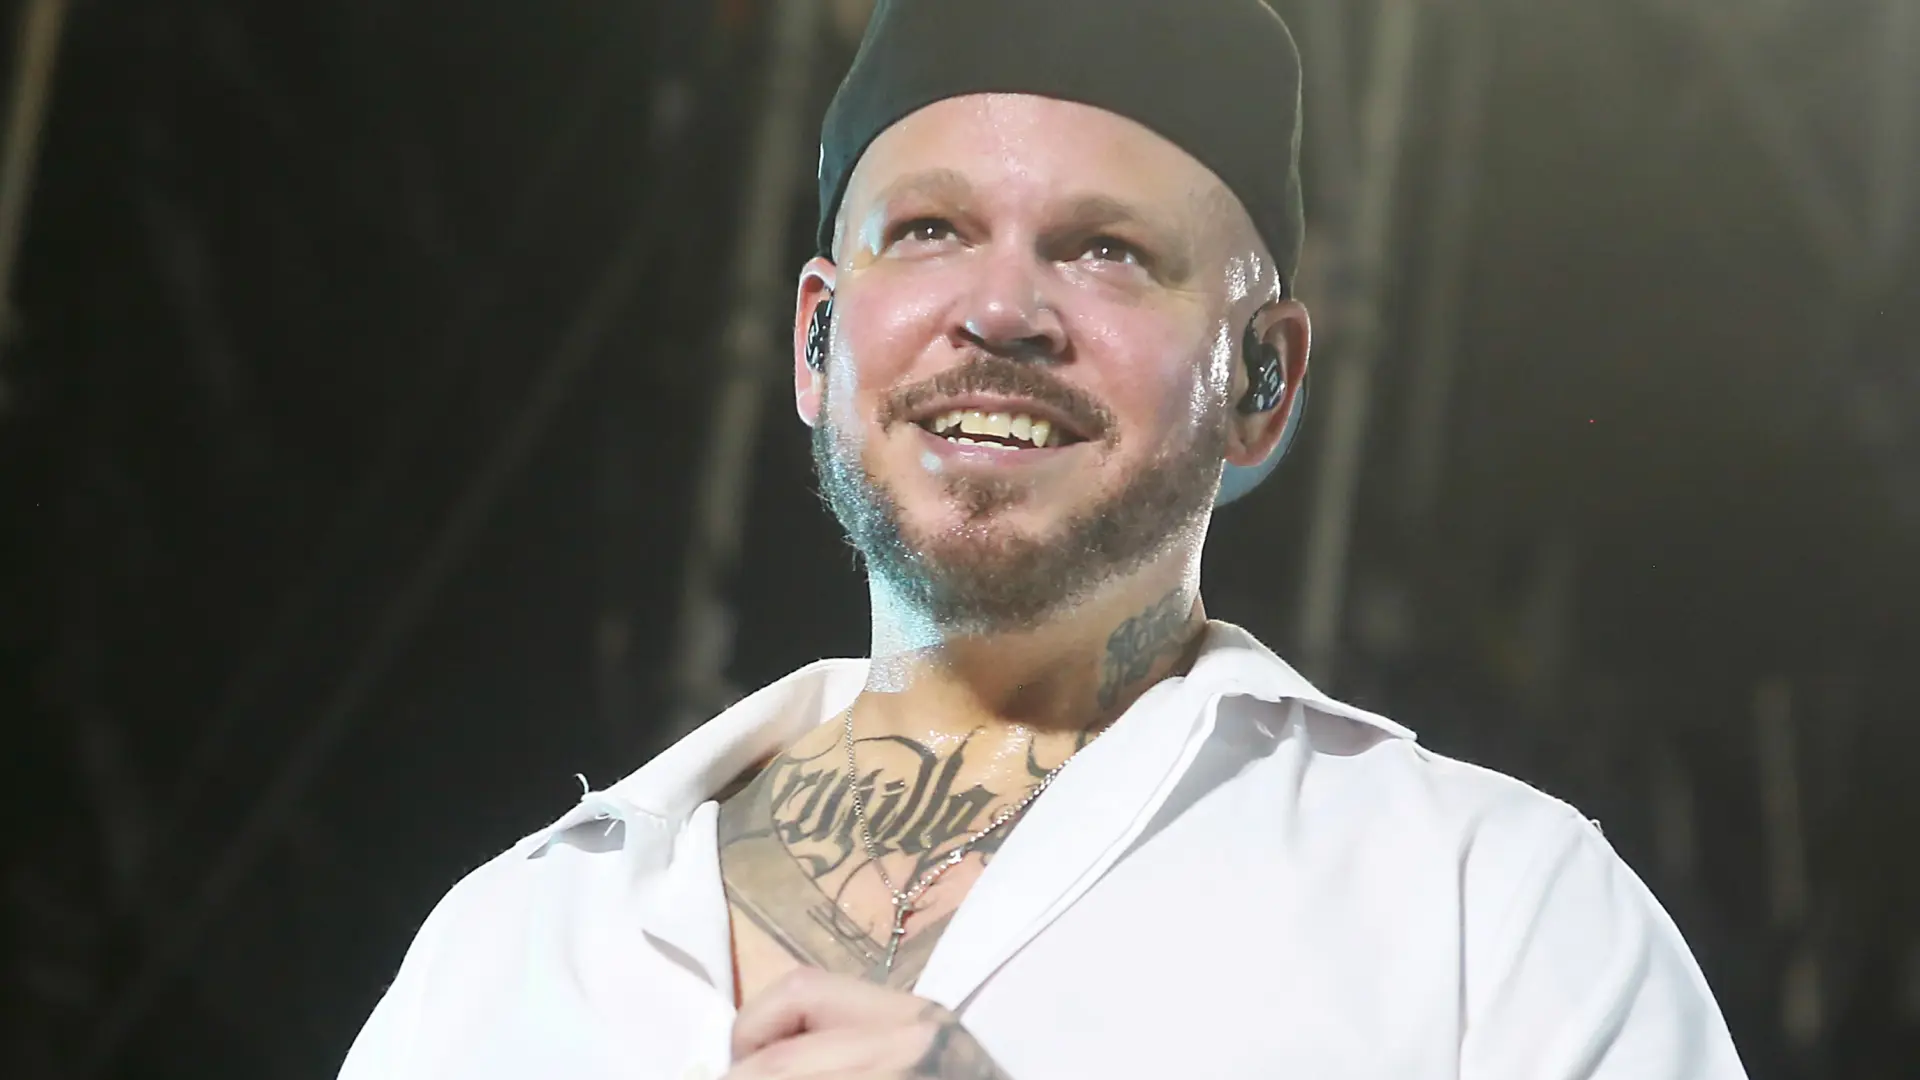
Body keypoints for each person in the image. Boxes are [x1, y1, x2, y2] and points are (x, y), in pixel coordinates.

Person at [338, 1, 1749, 1077]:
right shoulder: (518, 943)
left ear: (1262, 381)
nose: (1002, 310)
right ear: (818, 340)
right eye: (930, 230)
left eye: (1105, 251)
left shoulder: (1493, 912)